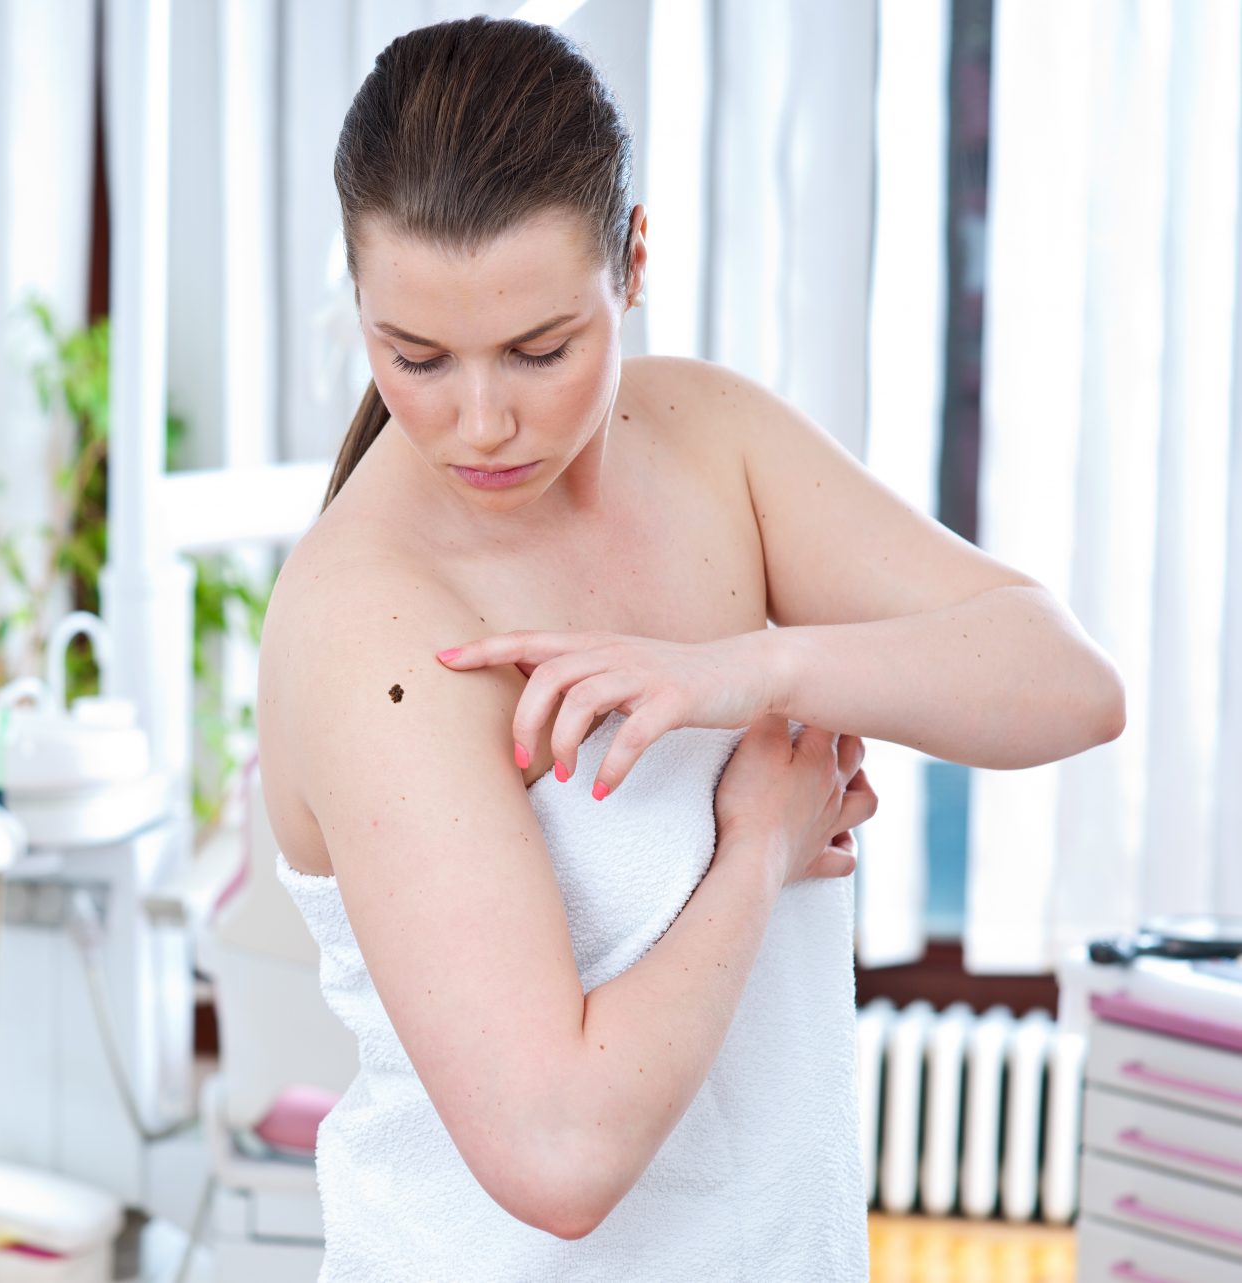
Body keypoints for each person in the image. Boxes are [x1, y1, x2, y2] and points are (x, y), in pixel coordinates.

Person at [254, 13, 1119, 1283]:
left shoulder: (709, 438)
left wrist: (755, 670)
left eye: (541, 350)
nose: (480, 421)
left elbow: (1067, 683)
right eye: (414, 357)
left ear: (634, 261)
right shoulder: (374, 620)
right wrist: (758, 841)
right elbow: (556, 1151)